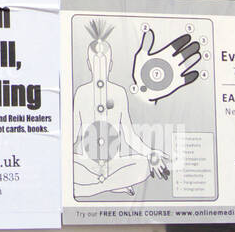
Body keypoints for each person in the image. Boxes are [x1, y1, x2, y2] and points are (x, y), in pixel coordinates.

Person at [72, 20, 170, 198]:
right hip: (85, 164)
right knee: (67, 166)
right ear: (89, 64)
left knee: (144, 165)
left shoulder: (119, 93)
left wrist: (150, 153)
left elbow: (130, 135)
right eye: (96, 62)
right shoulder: (81, 93)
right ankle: (110, 186)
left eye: (104, 62)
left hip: (114, 165)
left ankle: (92, 188)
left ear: (110, 64)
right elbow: (73, 134)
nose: (100, 67)